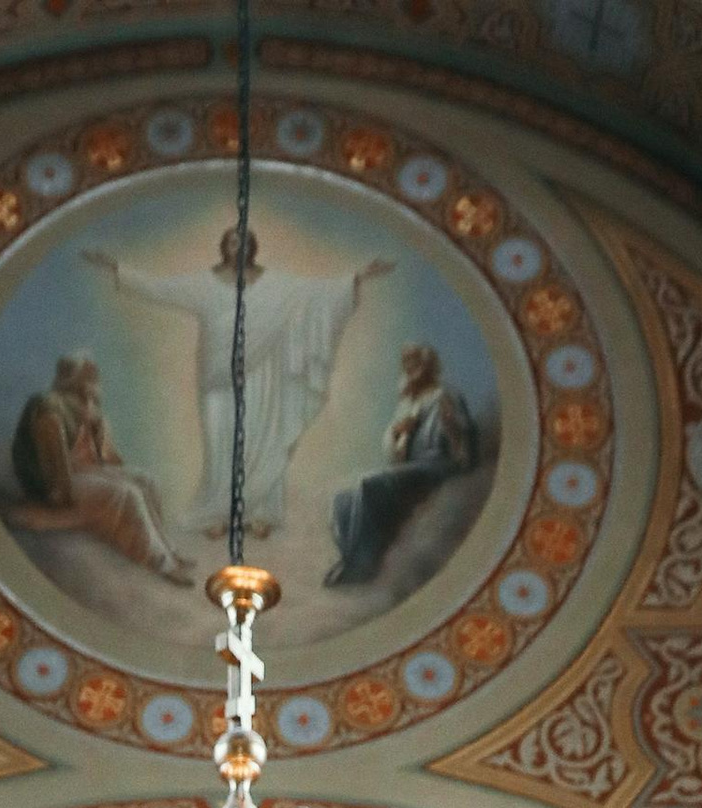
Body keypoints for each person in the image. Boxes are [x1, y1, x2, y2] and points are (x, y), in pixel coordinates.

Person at [85, 222, 392, 537]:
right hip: (217, 374)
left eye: (245, 242)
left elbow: (316, 294)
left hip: (262, 375)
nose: (239, 247)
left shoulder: (275, 285)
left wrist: (358, 276)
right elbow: (161, 288)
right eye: (233, 242)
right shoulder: (204, 283)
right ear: (224, 247)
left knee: (261, 436)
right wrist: (117, 268)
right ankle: (217, 514)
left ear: (253, 247)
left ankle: (258, 512)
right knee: (220, 443)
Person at [5, 354, 196, 583]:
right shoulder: (49, 406)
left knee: (146, 481)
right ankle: (160, 563)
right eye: (88, 377)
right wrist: (59, 494)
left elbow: (106, 458)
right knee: (127, 493)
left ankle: (170, 552)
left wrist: (98, 423)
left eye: (94, 378)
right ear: (72, 379)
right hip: (62, 478)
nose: (94, 384)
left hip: (89, 470)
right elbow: (53, 463)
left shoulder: (89, 408)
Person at [326, 343, 477, 585]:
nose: (409, 369)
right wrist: (398, 432)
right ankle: (350, 557)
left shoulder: (444, 396)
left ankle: (364, 564)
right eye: (406, 364)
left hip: (438, 464)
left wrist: (452, 427)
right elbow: (393, 454)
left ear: (427, 366)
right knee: (342, 497)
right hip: (412, 466)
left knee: (369, 484)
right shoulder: (407, 402)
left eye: (414, 363)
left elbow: (464, 442)